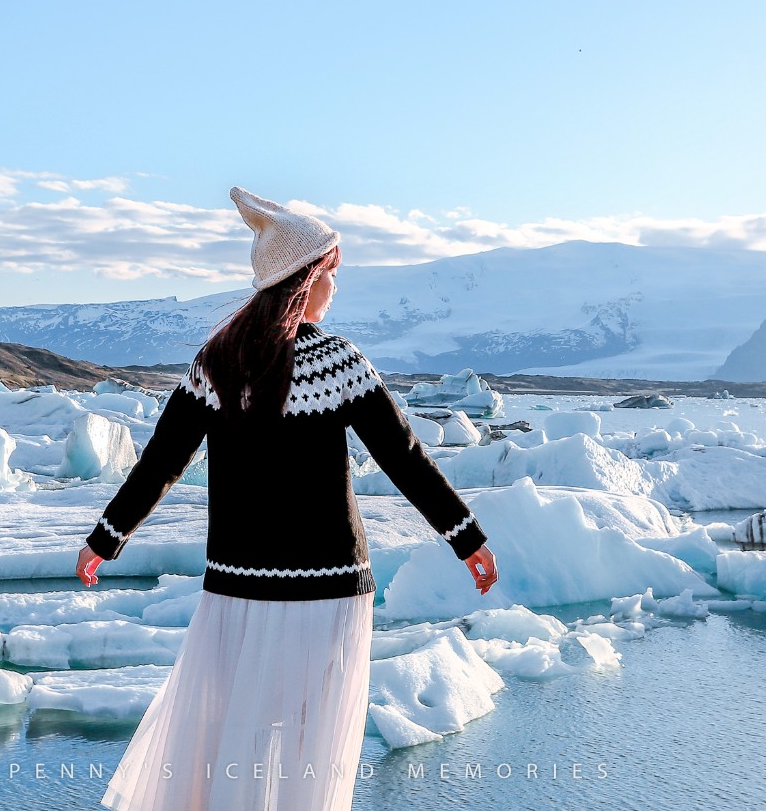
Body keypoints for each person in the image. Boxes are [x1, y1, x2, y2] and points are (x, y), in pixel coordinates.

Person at [78, 186, 499, 811]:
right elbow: (402, 457)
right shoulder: (336, 361)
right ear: (306, 280)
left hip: (234, 584)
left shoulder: (215, 361)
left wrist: (105, 539)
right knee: (308, 749)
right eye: (332, 275)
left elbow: (163, 461)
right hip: (327, 586)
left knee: (230, 738)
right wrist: (467, 538)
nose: (336, 290)